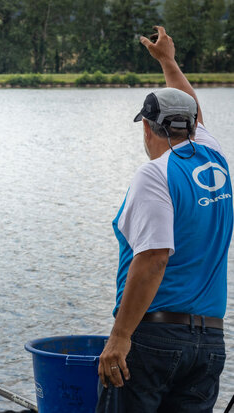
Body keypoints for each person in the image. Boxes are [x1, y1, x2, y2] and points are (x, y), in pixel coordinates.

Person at [96, 26, 233, 412]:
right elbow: (191, 105)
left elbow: (155, 257)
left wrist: (120, 337)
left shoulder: (154, 175)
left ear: (146, 125)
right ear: (192, 127)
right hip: (208, 346)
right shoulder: (214, 159)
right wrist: (168, 62)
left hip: (155, 340)